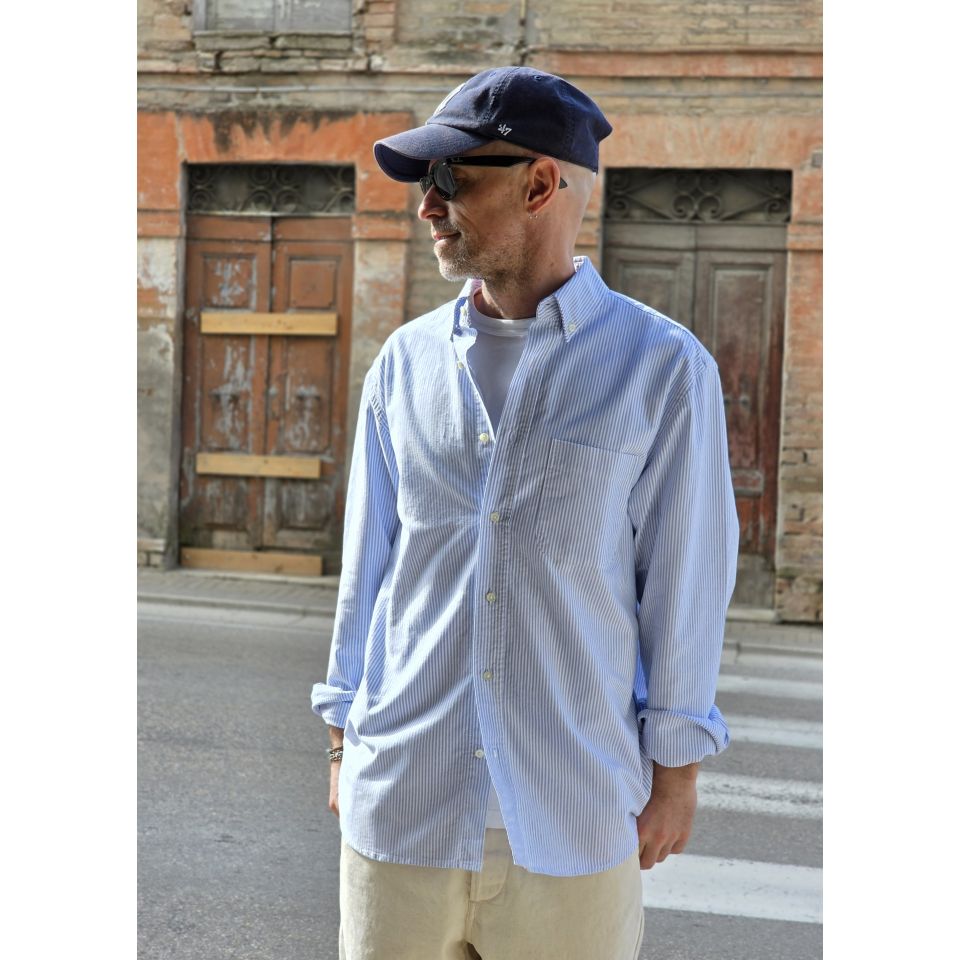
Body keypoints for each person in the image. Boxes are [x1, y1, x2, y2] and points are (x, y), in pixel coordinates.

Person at [311, 66, 739, 960]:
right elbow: (369, 570)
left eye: (449, 178)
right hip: (403, 810)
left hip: (572, 818)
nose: (426, 206)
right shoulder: (404, 364)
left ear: (539, 184)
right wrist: (342, 742)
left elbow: (684, 586)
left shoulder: (661, 369)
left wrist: (677, 775)